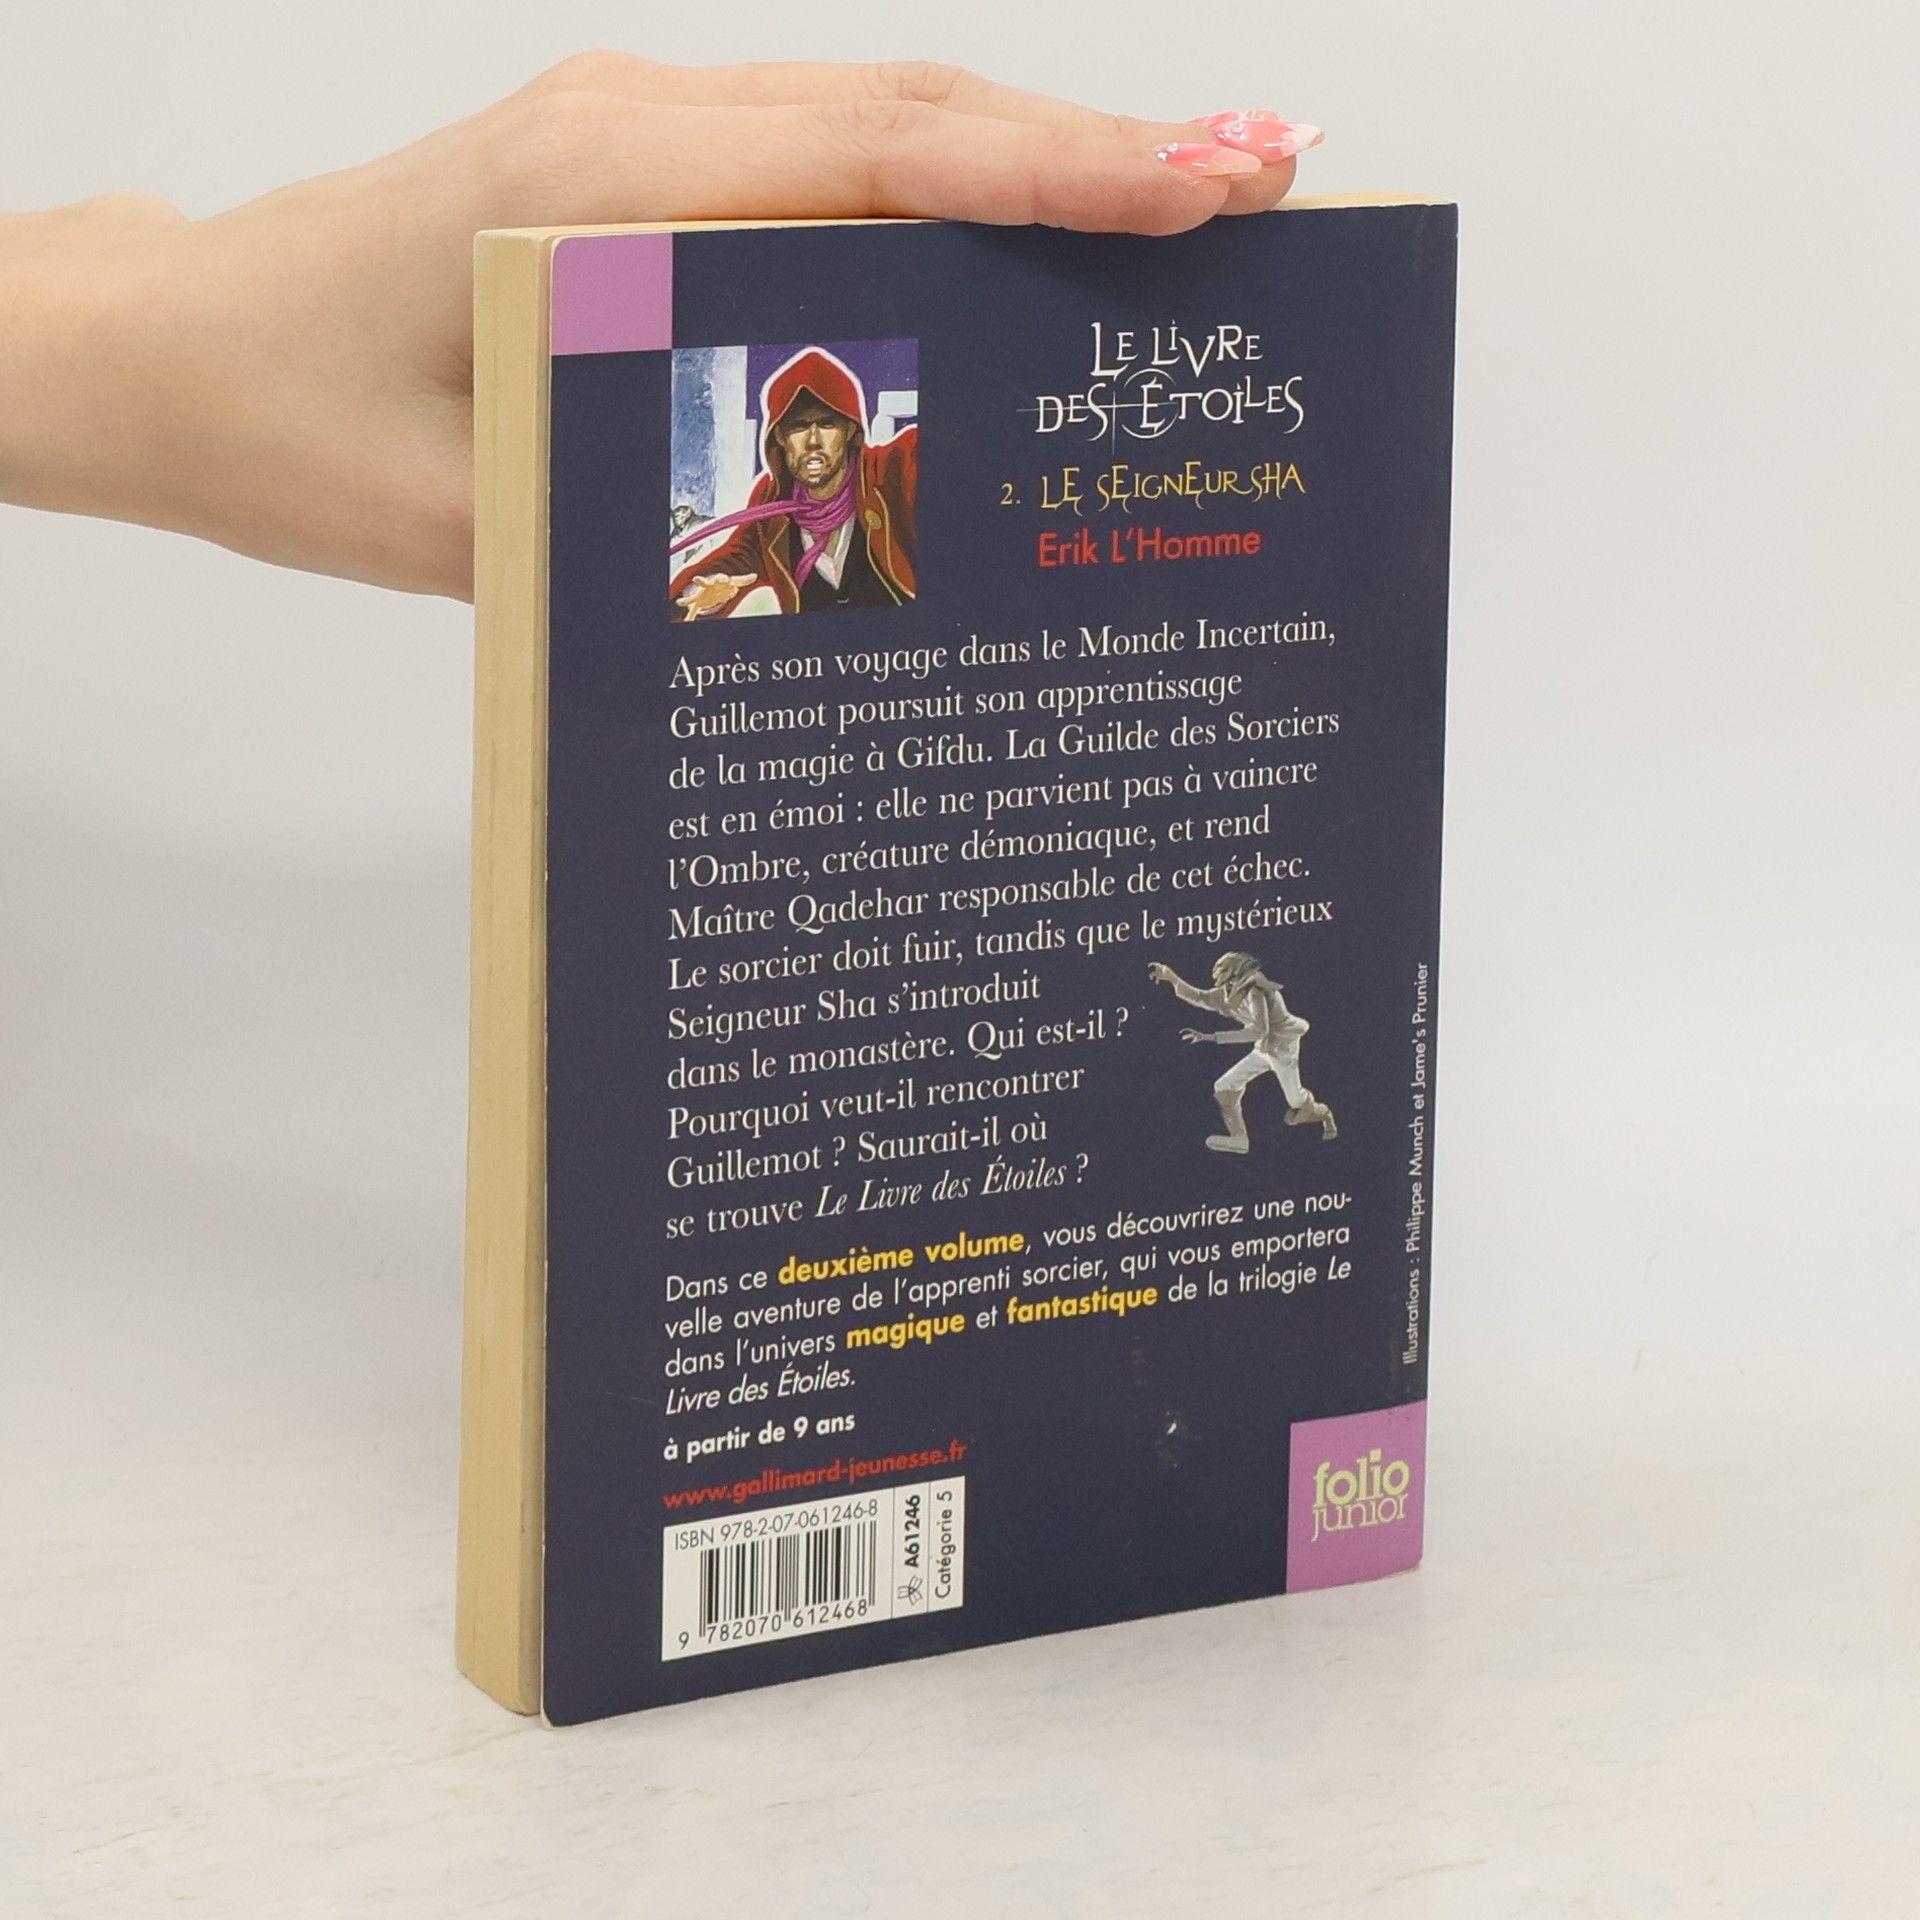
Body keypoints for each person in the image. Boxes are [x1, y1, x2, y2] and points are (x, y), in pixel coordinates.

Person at [0, 61, 1318, 595]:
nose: (815, 454)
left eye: (830, 432)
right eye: (797, 436)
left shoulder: (901, 493)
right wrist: (123, 347)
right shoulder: (741, 530)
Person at [671, 347, 917, 618]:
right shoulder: (772, 502)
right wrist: (703, 594)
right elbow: (736, 560)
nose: (813, 441)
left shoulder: (890, 470)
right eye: (798, 426)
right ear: (779, 437)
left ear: (849, 430)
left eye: (827, 424)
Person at [1148, 952, 1338, 1150]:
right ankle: (1239, 1139)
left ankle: (1325, 1113)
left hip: (1282, 1047)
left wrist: (1212, 1037)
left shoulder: (1255, 991)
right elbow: (1201, 997)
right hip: (1263, 1048)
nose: (1216, 975)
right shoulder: (1228, 992)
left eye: (1221, 970)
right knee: (1224, 1086)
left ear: (1234, 972)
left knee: (1296, 1100)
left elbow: (1259, 1030)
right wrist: (1171, 977)